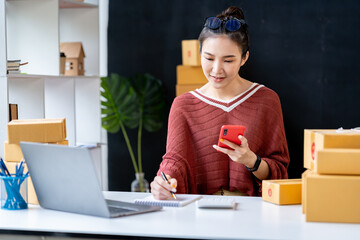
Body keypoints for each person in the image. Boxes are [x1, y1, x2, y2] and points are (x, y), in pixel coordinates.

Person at [151, 6, 290, 200]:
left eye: (228, 60)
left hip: (252, 212)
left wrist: (251, 160)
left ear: (244, 58)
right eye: (209, 58)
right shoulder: (183, 105)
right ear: (200, 54)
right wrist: (162, 184)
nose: (217, 70)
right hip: (199, 212)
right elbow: (174, 163)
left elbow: (279, 171)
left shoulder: (266, 100)